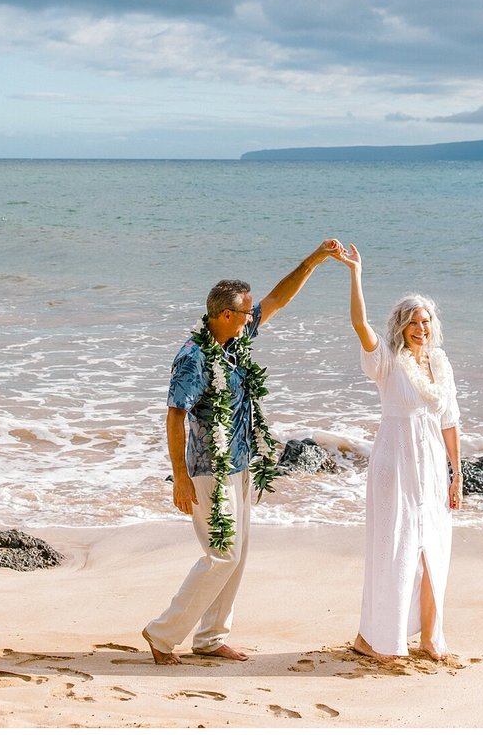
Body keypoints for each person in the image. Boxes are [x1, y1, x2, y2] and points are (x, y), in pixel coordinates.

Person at [142, 239, 345, 665]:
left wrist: (314, 259)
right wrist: (178, 476)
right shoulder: (192, 358)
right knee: (222, 554)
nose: (253, 315)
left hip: (239, 462)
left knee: (238, 556)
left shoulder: (235, 341)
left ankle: (211, 638)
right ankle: (162, 634)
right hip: (206, 469)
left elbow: (277, 300)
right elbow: (175, 416)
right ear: (227, 314)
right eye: (245, 311)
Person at [334, 243, 462, 661]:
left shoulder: (441, 365)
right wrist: (356, 272)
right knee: (396, 550)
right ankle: (375, 638)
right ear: (400, 326)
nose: (419, 328)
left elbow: (450, 422)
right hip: (395, 466)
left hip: (431, 471)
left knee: (434, 551)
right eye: (412, 322)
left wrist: (456, 473)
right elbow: (358, 322)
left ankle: (428, 637)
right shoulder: (387, 362)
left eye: (425, 321)